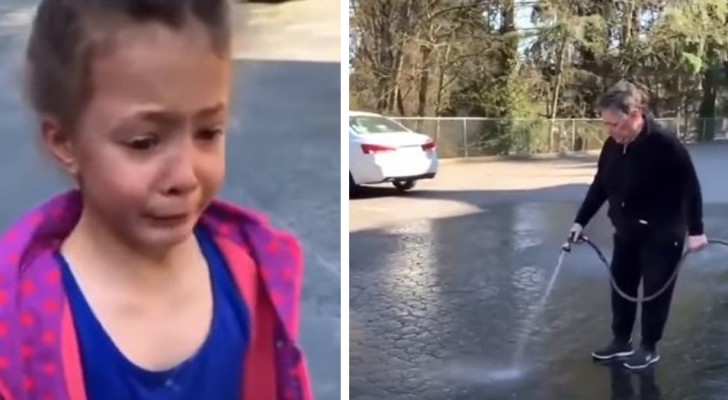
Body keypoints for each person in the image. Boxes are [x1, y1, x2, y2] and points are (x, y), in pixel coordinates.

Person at [0, 0, 313, 399]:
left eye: (208, 133)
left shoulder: (253, 278)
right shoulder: (21, 327)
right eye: (144, 142)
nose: (185, 177)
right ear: (65, 142)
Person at [570, 80, 708, 370]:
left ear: (635, 115)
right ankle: (621, 341)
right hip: (627, 230)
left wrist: (696, 231)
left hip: (663, 232)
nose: (610, 131)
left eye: (615, 124)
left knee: (655, 290)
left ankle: (649, 346)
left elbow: (690, 187)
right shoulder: (612, 146)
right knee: (621, 286)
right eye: (606, 125)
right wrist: (580, 221)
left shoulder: (664, 143)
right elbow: (600, 185)